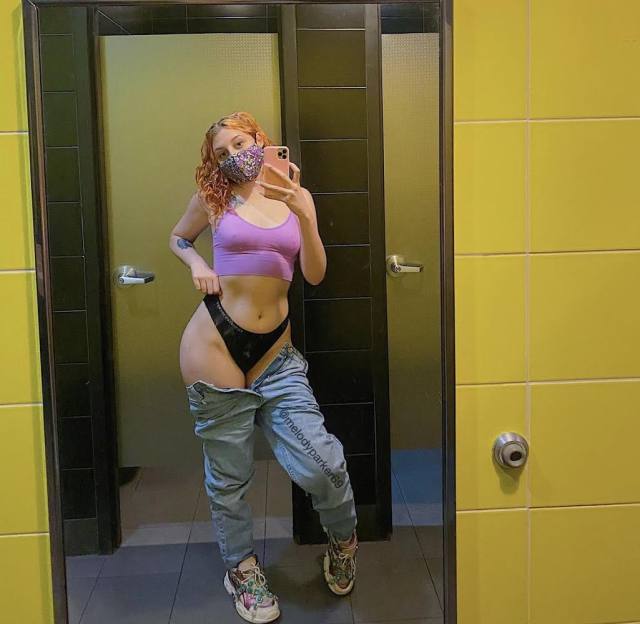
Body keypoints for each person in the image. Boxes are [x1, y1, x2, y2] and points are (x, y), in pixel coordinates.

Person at [169, 111, 359, 623]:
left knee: (323, 463)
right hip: (212, 345)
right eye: (221, 153)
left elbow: (314, 274)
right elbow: (178, 238)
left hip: (276, 353)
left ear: (259, 139)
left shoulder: (293, 196)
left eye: (239, 143)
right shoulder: (212, 199)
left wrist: (306, 215)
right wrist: (198, 264)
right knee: (229, 477)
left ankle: (343, 540)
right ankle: (241, 569)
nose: (233, 156)